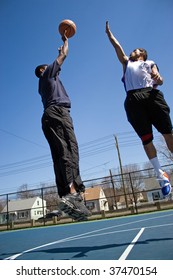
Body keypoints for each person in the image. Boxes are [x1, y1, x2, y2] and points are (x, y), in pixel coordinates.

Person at [105, 21, 173, 196]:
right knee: (146, 139)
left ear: (142, 54)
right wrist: (110, 36)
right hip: (133, 100)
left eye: (136, 50)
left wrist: (158, 76)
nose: (132, 51)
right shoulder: (127, 63)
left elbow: (160, 79)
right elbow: (118, 49)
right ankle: (161, 175)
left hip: (152, 95)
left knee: (168, 134)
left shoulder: (149, 62)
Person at [35, 33, 91, 221]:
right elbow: (64, 55)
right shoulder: (48, 74)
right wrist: (65, 41)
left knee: (60, 155)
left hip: (49, 116)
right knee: (69, 151)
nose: (54, 68)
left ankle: (67, 196)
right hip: (58, 114)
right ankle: (73, 194)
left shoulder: (45, 84)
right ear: (44, 70)